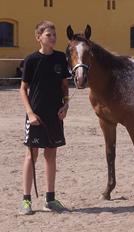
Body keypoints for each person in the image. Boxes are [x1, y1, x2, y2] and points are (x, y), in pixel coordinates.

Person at [19, 20, 71, 215]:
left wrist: (66, 105)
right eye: (49, 34)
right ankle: (26, 200)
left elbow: (65, 86)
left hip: (55, 115)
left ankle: (50, 199)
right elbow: (23, 89)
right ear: (38, 37)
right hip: (35, 116)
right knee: (31, 156)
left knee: (51, 155)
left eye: (54, 34)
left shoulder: (59, 58)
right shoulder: (31, 60)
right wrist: (30, 113)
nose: (53, 38)